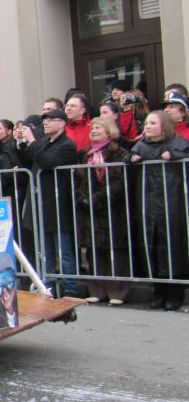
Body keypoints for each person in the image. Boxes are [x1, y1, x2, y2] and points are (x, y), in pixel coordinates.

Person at [15, 108, 81, 297]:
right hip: (41, 203)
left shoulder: (67, 145)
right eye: (45, 120)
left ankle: (70, 287)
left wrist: (31, 142)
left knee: (64, 249)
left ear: (62, 123)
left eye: (51, 119)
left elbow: (45, 161)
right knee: (45, 250)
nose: (46, 123)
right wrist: (21, 143)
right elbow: (29, 160)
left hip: (58, 204)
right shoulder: (43, 142)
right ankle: (50, 284)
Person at [129, 111, 189, 311]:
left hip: (172, 203)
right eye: (146, 123)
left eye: (152, 123)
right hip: (148, 203)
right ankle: (158, 290)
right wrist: (132, 157)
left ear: (164, 125)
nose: (147, 126)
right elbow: (126, 159)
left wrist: (175, 156)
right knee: (151, 245)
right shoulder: (141, 146)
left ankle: (175, 293)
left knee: (172, 246)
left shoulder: (178, 143)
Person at [75, 117, 131, 304]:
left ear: (109, 131)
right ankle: (97, 290)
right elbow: (78, 179)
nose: (94, 130)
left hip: (112, 209)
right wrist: (82, 198)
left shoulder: (118, 153)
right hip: (89, 210)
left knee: (116, 251)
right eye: (93, 128)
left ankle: (117, 291)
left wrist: (98, 199)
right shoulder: (85, 154)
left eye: (99, 128)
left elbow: (118, 182)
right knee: (94, 251)